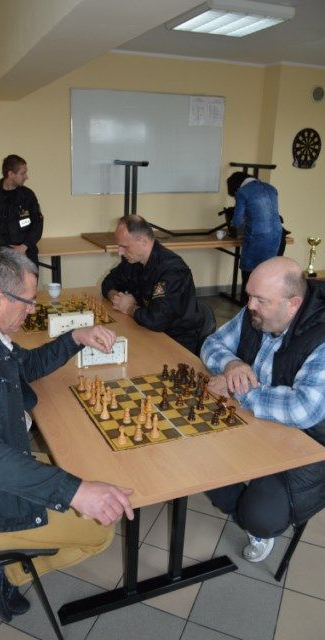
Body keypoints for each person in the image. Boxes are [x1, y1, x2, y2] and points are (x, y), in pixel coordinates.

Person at [0, 247, 133, 622]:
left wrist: (75, 337)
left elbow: (26, 364)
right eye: (28, 302)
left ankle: (6, 563)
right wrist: (75, 492)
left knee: (82, 470)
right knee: (101, 529)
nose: (33, 310)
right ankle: (2, 571)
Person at [201, 256, 325, 562]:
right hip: (257, 422)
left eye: (260, 300)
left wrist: (238, 389)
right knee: (199, 458)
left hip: (310, 442)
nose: (249, 305)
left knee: (259, 516)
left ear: (293, 304)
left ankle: (254, 519)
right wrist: (232, 364)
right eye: (249, 295)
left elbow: (304, 409)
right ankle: (242, 486)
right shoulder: (256, 312)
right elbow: (211, 344)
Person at [101, 215, 203, 354]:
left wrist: (129, 307)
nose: (120, 252)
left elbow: (157, 320)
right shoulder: (134, 259)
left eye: (124, 246)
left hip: (175, 341)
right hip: (145, 329)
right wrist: (116, 298)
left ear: (143, 241)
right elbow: (108, 282)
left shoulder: (172, 271)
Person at [227, 171, 283, 304]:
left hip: (257, 237)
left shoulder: (242, 192)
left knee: (249, 273)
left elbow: (237, 221)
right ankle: (265, 303)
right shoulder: (271, 188)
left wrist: (236, 223)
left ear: (235, 186)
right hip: (277, 234)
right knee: (267, 271)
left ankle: (247, 305)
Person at [0, 154, 43, 267]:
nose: (26, 177)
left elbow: (37, 224)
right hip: (0, 256)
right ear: (10, 174)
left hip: (27, 252)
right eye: (23, 173)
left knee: (30, 279)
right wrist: (10, 251)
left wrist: (24, 246)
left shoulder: (28, 195)